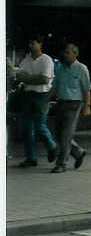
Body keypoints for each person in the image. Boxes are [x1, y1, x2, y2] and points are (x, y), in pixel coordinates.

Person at [45, 43, 91, 172]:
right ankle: (78, 152)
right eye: (64, 52)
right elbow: (54, 87)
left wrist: (87, 107)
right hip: (61, 104)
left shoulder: (82, 69)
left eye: (67, 52)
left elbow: (87, 90)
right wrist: (46, 100)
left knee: (66, 135)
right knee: (59, 135)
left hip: (74, 104)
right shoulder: (60, 69)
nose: (64, 55)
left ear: (75, 54)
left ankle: (61, 164)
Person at [15, 35, 58, 167]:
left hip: (42, 95)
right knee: (27, 128)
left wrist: (28, 78)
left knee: (40, 125)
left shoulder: (47, 60)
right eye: (30, 43)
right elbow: (19, 76)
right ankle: (31, 157)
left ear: (40, 44)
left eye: (34, 43)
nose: (31, 45)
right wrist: (32, 78)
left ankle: (52, 146)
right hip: (28, 95)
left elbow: (45, 80)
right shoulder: (26, 59)